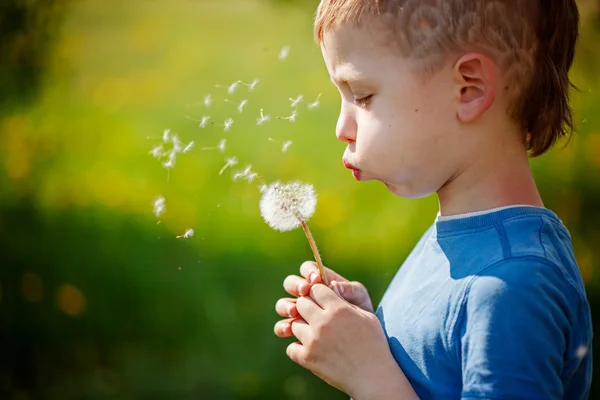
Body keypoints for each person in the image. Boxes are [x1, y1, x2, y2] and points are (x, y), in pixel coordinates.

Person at [273, 0, 593, 399]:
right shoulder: (466, 240)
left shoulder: (513, 288)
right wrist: (374, 332)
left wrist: (369, 374)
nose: (342, 127)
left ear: (468, 88)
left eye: (363, 95)